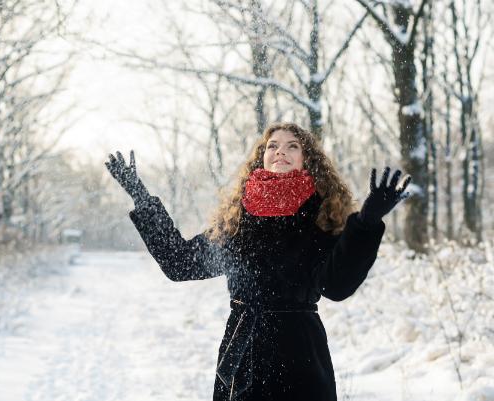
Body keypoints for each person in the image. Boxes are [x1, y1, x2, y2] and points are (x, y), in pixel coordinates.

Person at [105, 122, 411, 401]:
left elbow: (337, 286)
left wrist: (366, 223)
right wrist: (142, 199)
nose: (281, 151)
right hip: (242, 356)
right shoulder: (237, 223)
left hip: (301, 357)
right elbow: (179, 262)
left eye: (293, 145)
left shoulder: (322, 217)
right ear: (261, 158)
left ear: (309, 160)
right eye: (273, 146)